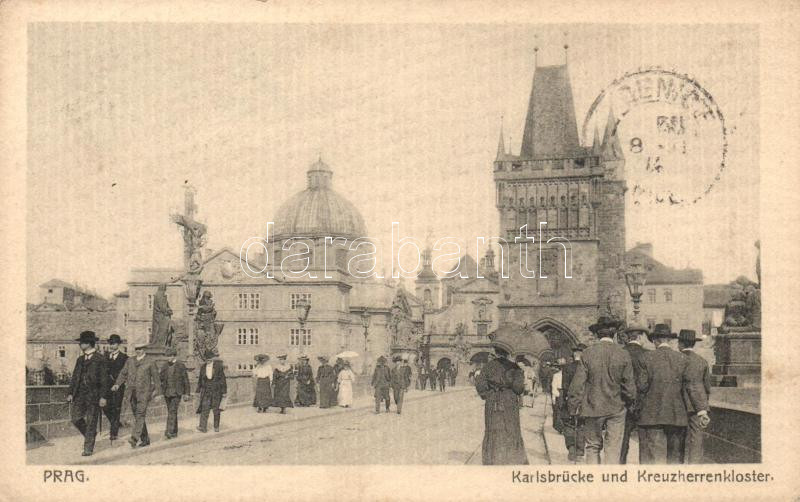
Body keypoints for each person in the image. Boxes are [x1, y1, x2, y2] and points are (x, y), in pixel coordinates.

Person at [567, 316, 636, 464]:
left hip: (592, 406)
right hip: (616, 408)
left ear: (597, 334)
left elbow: (577, 384)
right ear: (614, 334)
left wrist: (573, 407)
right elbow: (629, 387)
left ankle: (595, 481)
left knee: (592, 446)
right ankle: (609, 481)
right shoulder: (623, 354)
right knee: (613, 448)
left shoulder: (587, 353)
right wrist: (629, 402)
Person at [637, 324, 709, 464]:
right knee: (675, 458)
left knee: (654, 458)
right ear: (669, 340)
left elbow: (641, 386)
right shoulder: (683, 359)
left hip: (652, 415)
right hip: (677, 415)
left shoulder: (645, 358)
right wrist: (701, 411)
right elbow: (692, 386)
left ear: (655, 341)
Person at [475, 328, 528, 465]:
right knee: (511, 428)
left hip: (493, 401)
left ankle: (492, 458)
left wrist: (489, 395)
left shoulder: (487, 367)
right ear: (508, 352)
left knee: (493, 428)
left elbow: (480, 385)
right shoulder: (515, 368)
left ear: (496, 351)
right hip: (509, 401)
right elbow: (519, 389)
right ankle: (511, 458)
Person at [112, 342, 162, 448]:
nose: (138, 351)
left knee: (140, 414)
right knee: (138, 416)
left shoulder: (150, 362)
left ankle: (134, 438)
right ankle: (145, 439)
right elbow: (123, 373)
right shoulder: (130, 361)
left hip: (144, 393)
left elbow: (157, 379)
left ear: (144, 349)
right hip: (131, 393)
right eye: (136, 349)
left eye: (140, 349)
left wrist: (158, 393)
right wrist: (117, 384)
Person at [66, 331, 109, 456]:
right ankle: (91, 434)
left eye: (83, 342)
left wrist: (103, 397)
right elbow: (75, 377)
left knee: (91, 421)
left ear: (89, 343)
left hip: (94, 395)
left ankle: (88, 448)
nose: (80, 344)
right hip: (80, 394)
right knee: (75, 418)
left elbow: (104, 380)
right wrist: (70, 393)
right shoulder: (80, 360)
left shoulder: (100, 359)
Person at [678, 329, 712, 464]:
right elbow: (707, 387)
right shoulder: (702, 361)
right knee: (696, 438)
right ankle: (694, 467)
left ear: (680, 343)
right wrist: (703, 407)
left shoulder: (676, 359)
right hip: (697, 407)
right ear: (693, 344)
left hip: (678, 404)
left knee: (677, 438)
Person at [620, 323, 651, 464]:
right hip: (644, 403)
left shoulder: (620, 352)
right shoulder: (648, 354)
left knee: (622, 439)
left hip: (622, 402)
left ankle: (620, 468)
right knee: (644, 440)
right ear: (640, 336)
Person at [556, 345, 587, 463]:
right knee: (582, 425)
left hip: (570, 400)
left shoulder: (567, 367)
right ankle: (580, 451)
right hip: (584, 401)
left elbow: (564, 386)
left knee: (569, 424)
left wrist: (564, 400)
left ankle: (571, 448)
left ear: (574, 355)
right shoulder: (587, 367)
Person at [160, 347, 190, 439]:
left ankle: (168, 432)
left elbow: (185, 380)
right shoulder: (165, 366)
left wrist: (187, 393)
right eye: (167, 356)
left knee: (172, 411)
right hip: (167, 392)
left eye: (170, 356)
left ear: (174, 356)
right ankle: (174, 432)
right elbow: (160, 378)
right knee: (171, 412)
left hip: (177, 392)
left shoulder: (181, 365)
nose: (168, 358)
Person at [102, 333, 128, 441]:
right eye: (110, 343)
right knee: (105, 407)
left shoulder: (124, 357)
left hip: (118, 387)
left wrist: (119, 382)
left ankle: (114, 433)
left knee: (116, 408)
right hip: (106, 388)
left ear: (118, 344)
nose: (112, 346)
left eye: (114, 343)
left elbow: (126, 373)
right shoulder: (105, 357)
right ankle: (116, 423)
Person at [196, 349, 227, 432]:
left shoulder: (218, 367)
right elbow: (200, 379)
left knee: (216, 410)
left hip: (216, 391)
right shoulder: (203, 367)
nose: (209, 361)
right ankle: (203, 427)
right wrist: (198, 390)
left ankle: (216, 427)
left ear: (212, 359)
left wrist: (224, 392)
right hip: (206, 391)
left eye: (210, 359)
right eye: (207, 360)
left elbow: (223, 380)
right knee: (204, 409)